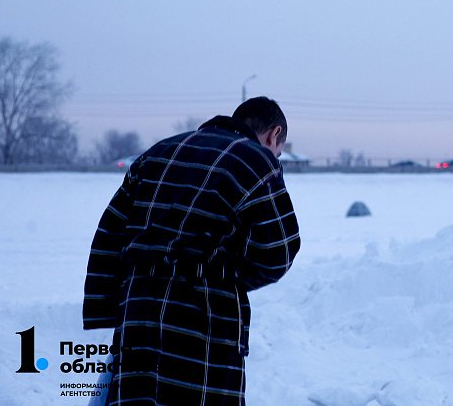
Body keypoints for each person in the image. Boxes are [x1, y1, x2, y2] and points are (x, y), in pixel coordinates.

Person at [83, 96, 301, 405]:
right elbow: (279, 252)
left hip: (138, 307)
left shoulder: (158, 152)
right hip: (205, 313)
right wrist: (231, 276)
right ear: (273, 135)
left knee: (137, 397)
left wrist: (108, 307)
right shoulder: (256, 160)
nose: (275, 156)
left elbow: (110, 234)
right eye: (277, 151)